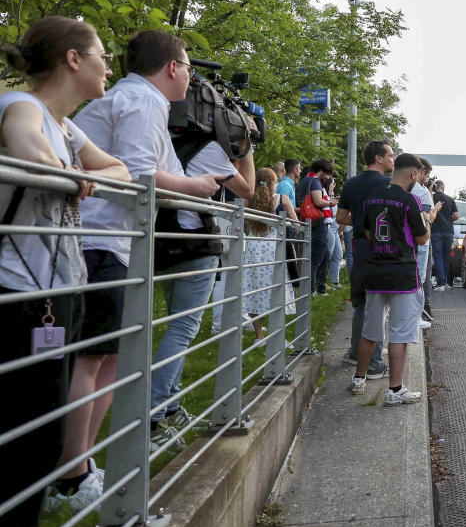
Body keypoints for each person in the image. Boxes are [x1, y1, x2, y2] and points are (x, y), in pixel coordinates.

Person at [73, 29, 253, 468]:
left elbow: (158, 170)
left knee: (111, 356)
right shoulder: (143, 101)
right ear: (172, 68)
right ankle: (73, 472)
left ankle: (82, 465)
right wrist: (198, 185)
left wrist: (189, 185)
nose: (191, 78)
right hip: (99, 240)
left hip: (108, 241)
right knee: (96, 358)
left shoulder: (138, 101)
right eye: (189, 68)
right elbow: (141, 174)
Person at [0, 17, 130, 527]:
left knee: (42, 434)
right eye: (101, 54)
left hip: (56, 292)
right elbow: (28, 149)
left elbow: (119, 170)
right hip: (17, 295)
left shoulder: (67, 126)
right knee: (23, 437)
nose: (107, 65)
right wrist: (65, 171)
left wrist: (74, 174)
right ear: (73, 60)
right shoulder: (21, 105)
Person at [350, 152, 429, 405]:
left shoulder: (371, 198)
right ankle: (395, 390)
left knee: (370, 330)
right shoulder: (410, 200)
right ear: (414, 174)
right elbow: (421, 238)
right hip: (403, 275)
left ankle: (358, 378)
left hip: (375, 271)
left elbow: (367, 231)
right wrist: (428, 222)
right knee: (400, 334)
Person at [336, 140, 394, 375]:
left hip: (359, 248)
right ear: (378, 158)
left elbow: (341, 216)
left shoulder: (351, 183)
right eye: (390, 154)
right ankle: (374, 362)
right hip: (381, 249)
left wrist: (360, 221)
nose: (393, 159)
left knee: (360, 303)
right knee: (377, 304)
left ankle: (354, 353)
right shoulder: (389, 185)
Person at [243, 168, 298, 342]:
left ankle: (259, 336)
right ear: (273, 182)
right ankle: (276, 337)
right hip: (274, 249)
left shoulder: (248, 201)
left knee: (255, 290)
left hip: (253, 249)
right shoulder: (281, 199)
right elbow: (296, 223)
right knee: (276, 291)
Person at [298, 158, 337, 296]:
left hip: (307, 220)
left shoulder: (305, 181)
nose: (327, 177)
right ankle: (311, 289)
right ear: (321, 171)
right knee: (317, 256)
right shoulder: (314, 181)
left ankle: (317, 287)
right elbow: (318, 201)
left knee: (323, 254)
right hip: (316, 221)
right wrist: (331, 203)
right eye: (326, 173)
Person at [411, 159, 440, 324]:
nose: (426, 178)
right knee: (420, 276)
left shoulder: (407, 188)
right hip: (422, 237)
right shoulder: (422, 192)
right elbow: (429, 218)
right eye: (426, 174)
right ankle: (417, 315)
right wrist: (435, 210)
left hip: (409, 236)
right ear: (421, 172)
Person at [431, 180, 459, 289]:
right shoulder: (450, 199)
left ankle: (441, 283)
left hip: (436, 231)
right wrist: (449, 220)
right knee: (446, 257)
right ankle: (446, 282)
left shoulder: (431, 197)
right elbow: (456, 215)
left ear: (434, 188)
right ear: (443, 188)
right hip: (448, 231)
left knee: (437, 257)